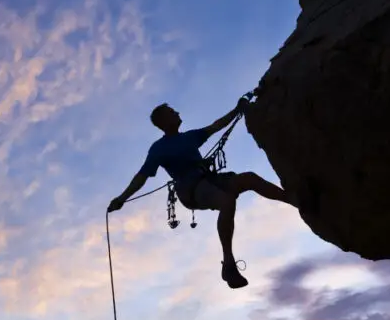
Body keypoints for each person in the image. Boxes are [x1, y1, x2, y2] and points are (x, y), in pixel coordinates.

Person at [107, 98, 297, 289]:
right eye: (172, 112)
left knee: (249, 178)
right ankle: (228, 264)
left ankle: (294, 200)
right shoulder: (158, 149)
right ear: (164, 121)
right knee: (226, 200)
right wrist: (122, 198)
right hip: (190, 190)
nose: (178, 114)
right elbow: (142, 176)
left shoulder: (190, 137)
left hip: (208, 180)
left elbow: (215, 126)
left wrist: (237, 109)